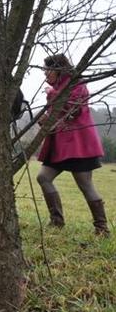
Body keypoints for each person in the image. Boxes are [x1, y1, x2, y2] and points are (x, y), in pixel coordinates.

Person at [36, 54, 109, 236]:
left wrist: (52, 95)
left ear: (57, 69)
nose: (45, 75)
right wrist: (46, 118)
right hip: (60, 145)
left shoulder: (76, 83)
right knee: (43, 178)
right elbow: (59, 113)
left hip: (78, 145)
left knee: (85, 185)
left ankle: (102, 229)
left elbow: (73, 108)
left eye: (47, 71)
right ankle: (57, 222)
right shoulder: (59, 87)